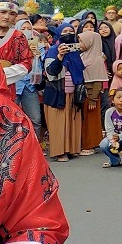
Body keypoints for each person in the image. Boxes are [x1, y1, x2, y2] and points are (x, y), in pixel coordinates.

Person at [0, 11, 70, 244]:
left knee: (37, 118)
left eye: (9, 12)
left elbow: (39, 230)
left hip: (20, 92)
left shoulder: (6, 125)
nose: (7, 16)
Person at [43, 24, 84, 161]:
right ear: (59, 34)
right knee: (58, 124)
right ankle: (59, 152)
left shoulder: (75, 51)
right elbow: (50, 72)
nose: (68, 33)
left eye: (71, 31)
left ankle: (71, 149)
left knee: (72, 122)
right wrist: (60, 56)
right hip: (57, 92)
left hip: (73, 93)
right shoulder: (53, 51)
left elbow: (80, 71)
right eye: (64, 31)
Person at [77, 25, 108, 156]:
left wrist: (93, 99)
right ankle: (87, 142)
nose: (80, 44)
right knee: (86, 120)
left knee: (91, 121)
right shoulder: (84, 56)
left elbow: (98, 81)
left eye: (82, 41)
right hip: (84, 94)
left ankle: (90, 144)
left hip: (91, 96)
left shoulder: (98, 59)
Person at [13, 20, 41, 134]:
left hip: (30, 86)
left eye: (29, 29)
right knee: (11, 119)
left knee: (35, 118)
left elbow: (41, 69)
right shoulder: (10, 44)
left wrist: (37, 57)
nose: (26, 31)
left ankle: (36, 147)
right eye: (23, 28)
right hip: (13, 85)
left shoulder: (38, 45)